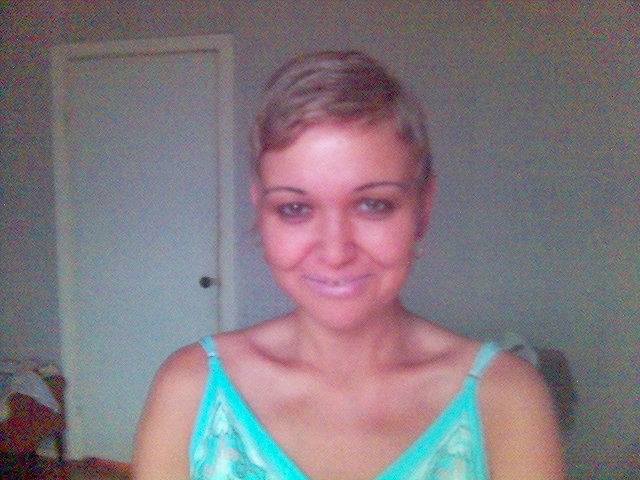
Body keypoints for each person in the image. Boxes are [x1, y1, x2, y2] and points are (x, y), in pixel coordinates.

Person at [132, 51, 564, 480]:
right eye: (295, 208)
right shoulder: (190, 388)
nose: (335, 252)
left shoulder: (505, 399)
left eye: (374, 205)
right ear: (260, 210)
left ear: (423, 208)